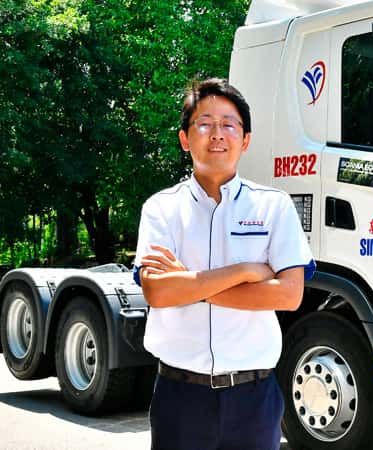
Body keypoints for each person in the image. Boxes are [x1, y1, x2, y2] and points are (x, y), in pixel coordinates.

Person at [132, 78, 315, 450]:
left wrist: (188, 285)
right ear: (185, 138)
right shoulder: (162, 209)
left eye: (229, 124)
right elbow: (157, 292)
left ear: (245, 140)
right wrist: (245, 271)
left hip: (253, 398)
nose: (217, 133)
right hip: (180, 397)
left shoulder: (273, 206)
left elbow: (289, 295)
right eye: (205, 123)